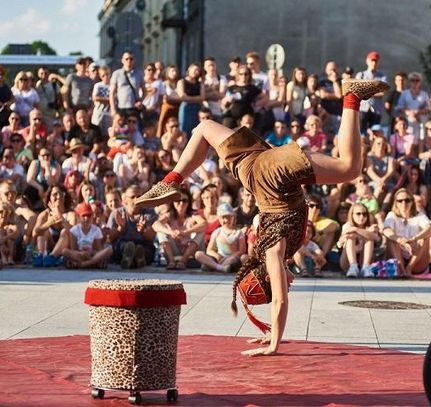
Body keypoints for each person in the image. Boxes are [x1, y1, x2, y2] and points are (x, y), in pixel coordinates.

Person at [135, 78, 389, 356]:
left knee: (349, 168)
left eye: (277, 281)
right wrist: (266, 330)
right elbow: (277, 291)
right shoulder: (268, 246)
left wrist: (274, 343)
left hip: (272, 176)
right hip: (251, 170)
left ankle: (351, 96)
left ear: (268, 276)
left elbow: (279, 301)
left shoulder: (272, 252)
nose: (288, 285)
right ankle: (171, 181)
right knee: (205, 127)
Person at [382, 188, 431, 276]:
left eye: (407, 200)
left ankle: (409, 268)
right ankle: (402, 270)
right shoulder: (392, 215)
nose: (403, 203)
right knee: (391, 240)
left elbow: (430, 229)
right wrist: (399, 240)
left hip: (416, 257)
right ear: (396, 203)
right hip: (397, 255)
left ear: (412, 202)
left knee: (425, 238)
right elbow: (386, 230)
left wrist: (414, 238)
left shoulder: (419, 215)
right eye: (400, 201)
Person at [194, 202, 248, 272]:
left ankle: (213, 266)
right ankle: (219, 267)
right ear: (219, 219)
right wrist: (217, 255)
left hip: (231, 258)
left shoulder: (238, 233)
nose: (225, 220)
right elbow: (209, 250)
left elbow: (241, 251)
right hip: (218, 258)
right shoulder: (217, 232)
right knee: (198, 254)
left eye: (228, 217)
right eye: (223, 218)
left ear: (233, 217)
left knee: (233, 259)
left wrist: (228, 257)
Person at [63, 202, 113, 269]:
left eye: (89, 215)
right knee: (65, 251)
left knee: (109, 250)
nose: (86, 218)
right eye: (83, 216)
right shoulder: (74, 230)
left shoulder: (96, 230)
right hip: (79, 255)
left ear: (92, 216)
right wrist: (82, 254)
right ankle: (93, 264)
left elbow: (97, 250)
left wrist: (90, 254)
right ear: (78, 217)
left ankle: (84, 264)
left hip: (92, 256)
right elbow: (74, 249)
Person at [337, 202, 379, 278]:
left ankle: (366, 267)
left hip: (364, 258)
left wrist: (356, 229)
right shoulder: (347, 225)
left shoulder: (371, 226)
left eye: (364, 214)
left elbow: (376, 238)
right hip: (347, 260)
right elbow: (342, 240)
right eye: (358, 214)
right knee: (351, 237)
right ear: (352, 215)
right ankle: (353, 266)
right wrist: (366, 232)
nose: (362, 216)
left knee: (369, 238)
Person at [355, 51, 387, 134]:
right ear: (367, 61)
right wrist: (375, 90)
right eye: (372, 60)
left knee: (375, 132)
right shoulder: (361, 75)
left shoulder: (382, 76)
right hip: (363, 108)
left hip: (376, 109)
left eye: (375, 61)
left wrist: (366, 91)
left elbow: (382, 92)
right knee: (361, 132)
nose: (374, 63)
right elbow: (358, 91)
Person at [109, 51, 144, 119]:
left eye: (131, 59)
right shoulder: (117, 74)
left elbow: (144, 90)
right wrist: (113, 109)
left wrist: (141, 101)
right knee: (120, 129)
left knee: (134, 128)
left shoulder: (139, 74)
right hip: (121, 107)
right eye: (126, 59)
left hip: (134, 108)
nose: (129, 61)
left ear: (134, 61)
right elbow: (112, 93)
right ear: (122, 60)